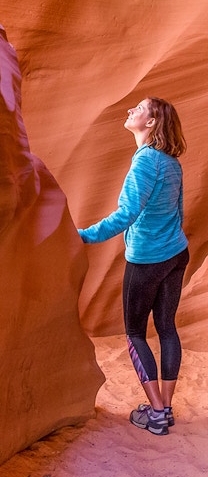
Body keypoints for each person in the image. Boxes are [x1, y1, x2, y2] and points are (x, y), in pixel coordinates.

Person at [78, 97, 189, 436]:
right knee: (167, 328)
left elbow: (126, 214)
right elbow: (178, 212)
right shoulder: (171, 163)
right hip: (176, 253)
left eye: (139, 109)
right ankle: (166, 408)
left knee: (136, 333)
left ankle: (155, 414)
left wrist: (81, 236)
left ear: (153, 122)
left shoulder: (144, 163)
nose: (130, 111)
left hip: (147, 260)